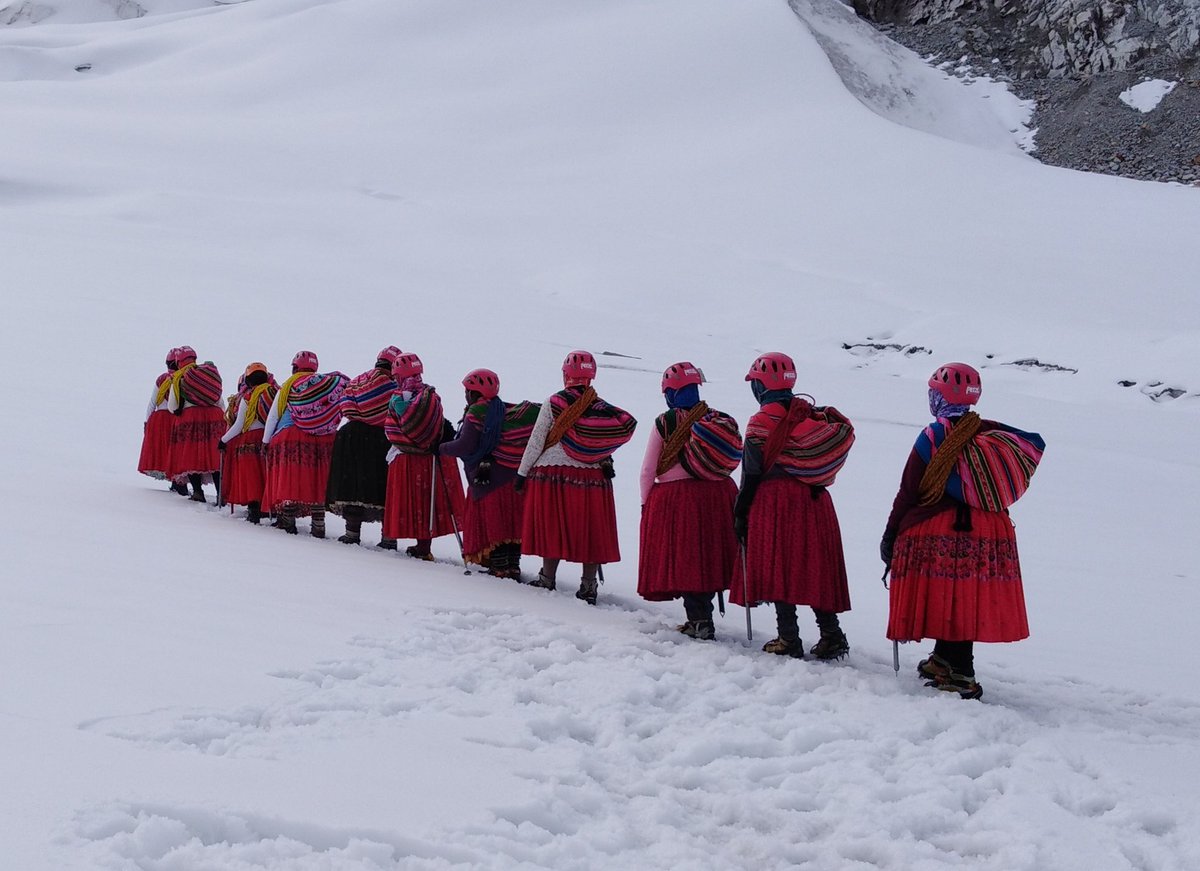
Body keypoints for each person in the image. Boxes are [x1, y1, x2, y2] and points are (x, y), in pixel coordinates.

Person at [882, 363, 1045, 700]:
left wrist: (891, 534)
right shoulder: (987, 433)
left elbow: (909, 490)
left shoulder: (934, 437)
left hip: (945, 529)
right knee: (962, 595)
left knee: (950, 595)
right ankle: (944, 659)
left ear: (940, 397)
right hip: (988, 531)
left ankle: (962, 674)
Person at [732, 352, 855, 660]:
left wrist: (741, 512)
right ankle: (832, 634)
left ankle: (788, 637)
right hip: (815, 502)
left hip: (775, 502)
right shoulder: (811, 416)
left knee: (780, 566)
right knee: (815, 566)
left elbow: (751, 471)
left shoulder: (761, 421)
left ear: (761, 386)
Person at [517, 350, 637, 605]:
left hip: (552, 474)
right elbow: (602, 441)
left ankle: (547, 578)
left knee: (553, 526)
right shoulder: (600, 407)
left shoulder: (554, 402)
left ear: (566, 375)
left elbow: (537, 440)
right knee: (590, 530)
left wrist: (522, 472)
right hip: (592, 477)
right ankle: (589, 586)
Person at [637, 362, 743, 639]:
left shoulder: (665, 422)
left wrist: (646, 503)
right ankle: (703, 616)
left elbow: (648, 469)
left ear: (670, 393)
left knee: (687, 559)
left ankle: (699, 621)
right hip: (718, 495)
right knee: (709, 555)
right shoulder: (717, 419)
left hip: (677, 500)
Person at [439, 369, 540, 579]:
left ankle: (500, 567)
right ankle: (513, 566)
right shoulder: (501, 408)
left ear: (474, 392)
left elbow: (465, 445)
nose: (465, 395)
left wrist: (441, 448)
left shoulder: (477, 412)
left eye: (467, 391)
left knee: (496, 523)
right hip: (515, 477)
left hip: (490, 478)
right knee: (512, 523)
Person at [382, 353, 465, 559]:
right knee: (428, 502)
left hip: (409, 459)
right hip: (431, 457)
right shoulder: (431, 396)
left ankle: (417, 546)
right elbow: (437, 423)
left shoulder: (397, 398)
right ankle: (424, 547)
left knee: (415, 502)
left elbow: (395, 426)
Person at [262, 351, 345, 537]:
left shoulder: (289, 386)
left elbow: (273, 415)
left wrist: (265, 441)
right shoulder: (323, 387)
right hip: (323, 440)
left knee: (290, 481)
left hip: (291, 437)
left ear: (295, 367)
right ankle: (318, 524)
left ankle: (288, 521)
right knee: (317, 482)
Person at [326, 346, 401, 548]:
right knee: (384, 488)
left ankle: (351, 533)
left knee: (352, 485)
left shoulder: (359, 381)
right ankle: (388, 538)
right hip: (382, 439)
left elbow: (344, 402)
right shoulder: (395, 387)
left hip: (351, 435)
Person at [219, 362, 278, 523]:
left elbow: (239, 425)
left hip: (250, 439)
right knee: (267, 474)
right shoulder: (275, 393)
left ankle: (254, 510)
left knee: (252, 476)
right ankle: (269, 508)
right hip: (270, 438)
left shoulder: (248, 397)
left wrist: (223, 440)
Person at [165, 346, 225, 502]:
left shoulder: (179, 378)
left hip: (190, 419)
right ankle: (221, 494)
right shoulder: (208, 375)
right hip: (214, 418)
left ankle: (198, 492)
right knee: (214, 457)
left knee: (191, 457)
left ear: (178, 362)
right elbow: (220, 402)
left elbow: (172, 406)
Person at [138, 348, 186, 494]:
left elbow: (152, 403)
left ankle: (175, 483)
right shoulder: (184, 378)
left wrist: (147, 423)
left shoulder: (162, 379)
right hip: (177, 417)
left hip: (160, 419)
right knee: (177, 452)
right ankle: (179, 483)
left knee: (165, 452)